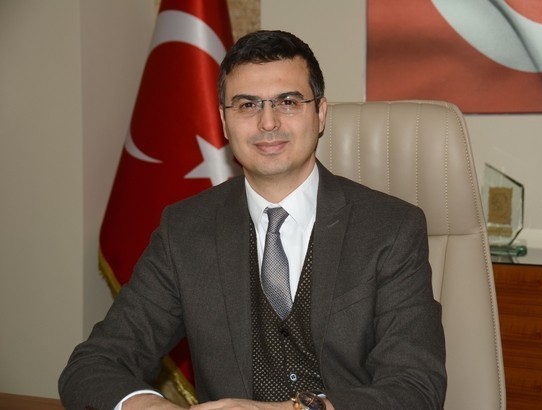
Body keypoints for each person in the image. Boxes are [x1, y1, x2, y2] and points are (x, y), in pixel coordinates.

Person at [59, 30, 446, 410]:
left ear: (320, 113)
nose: (268, 122)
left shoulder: (391, 228)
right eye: (247, 105)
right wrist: (151, 407)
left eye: (288, 102)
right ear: (224, 122)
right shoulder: (185, 231)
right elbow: (92, 365)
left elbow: (415, 388)